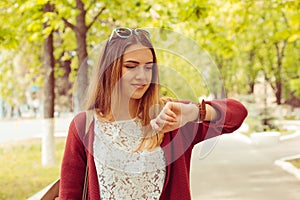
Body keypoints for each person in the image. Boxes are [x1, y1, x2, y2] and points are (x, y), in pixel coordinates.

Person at [59, 27, 248, 200]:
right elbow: (70, 195)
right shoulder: (84, 126)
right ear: (109, 69)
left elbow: (237, 114)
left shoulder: (170, 117)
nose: (142, 76)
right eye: (131, 66)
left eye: (148, 67)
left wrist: (194, 112)